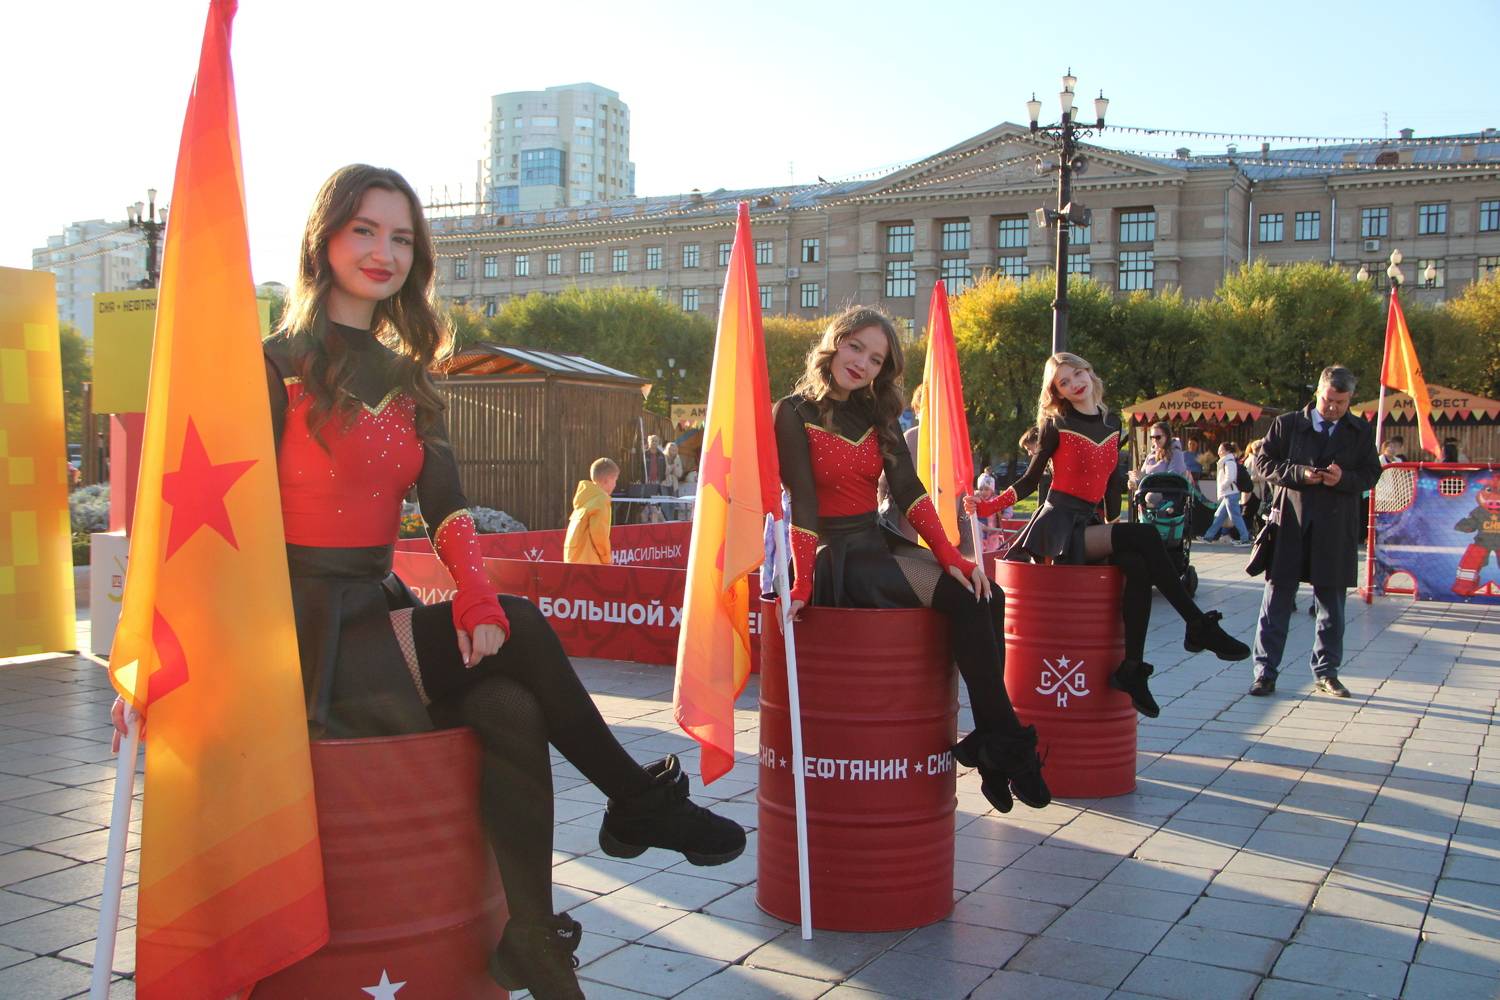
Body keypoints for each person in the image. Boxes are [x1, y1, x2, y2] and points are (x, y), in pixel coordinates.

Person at [112, 165, 743, 1000]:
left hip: (378, 619)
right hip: (299, 637)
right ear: (323, 240)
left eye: (401, 237)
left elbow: (445, 508)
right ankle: (633, 799)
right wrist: (158, 651)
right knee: (518, 623)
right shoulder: (268, 367)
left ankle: (531, 939)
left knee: (511, 707)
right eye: (364, 230)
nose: (383, 251)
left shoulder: (412, 377)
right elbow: (203, 523)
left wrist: (474, 594)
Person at [774, 306, 1049, 814]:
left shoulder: (878, 413)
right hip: (837, 555)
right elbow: (804, 505)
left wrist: (952, 554)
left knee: (990, 596)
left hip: (876, 540)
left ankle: (992, 743)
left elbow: (907, 489)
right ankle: (1006, 749)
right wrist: (801, 584)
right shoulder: (790, 413)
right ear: (836, 342)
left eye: (876, 359)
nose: (862, 364)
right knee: (964, 604)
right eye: (856, 347)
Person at [967, 353, 1250, 719]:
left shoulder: (1112, 423)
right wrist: (987, 506)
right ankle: (1197, 625)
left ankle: (1131, 669)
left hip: (1090, 522)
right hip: (1059, 528)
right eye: (1063, 383)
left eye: (1077, 373)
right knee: (1147, 536)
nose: (1074, 384)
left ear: (1089, 371)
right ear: (1057, 392)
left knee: (1137, 561)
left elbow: (1110, 485)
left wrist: (1113, 523)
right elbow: (1030, 481)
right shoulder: (1057, 425)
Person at [1249, 365, 1382, 699]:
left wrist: (1344, 479)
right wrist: (1299, 473)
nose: (1333, 407)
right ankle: (1265, 673)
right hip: (1291, 523)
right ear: (1318, 392)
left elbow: (1370, 473)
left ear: (1350, 398)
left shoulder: (1360, 431)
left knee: (1331, 608)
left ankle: (1327, 672)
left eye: (1341, 402)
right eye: (1328, 400)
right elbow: (1263, 464)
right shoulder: (1288, 424)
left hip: (1335, 528)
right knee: (1276, 603)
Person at [877, 382, 924, 544]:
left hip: (915, 526)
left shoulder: (911, 437)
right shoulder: (911, 438)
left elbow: (884, 483)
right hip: (911, 524)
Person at [565, 457, 617, 564]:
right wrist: (607, 560)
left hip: (572, 562)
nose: (615, 485)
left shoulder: (584, 500)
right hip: (590, 564)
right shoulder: (601, 501)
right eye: (615, 480)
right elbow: (600, 536)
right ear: (606, 480)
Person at [1130, 419, 1188, 511]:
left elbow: (1173, 479)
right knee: (1144, 497)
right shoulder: (1151, 455)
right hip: (1148, 496)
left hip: (1169, 495)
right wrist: (1135, 482)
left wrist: (1145, 477)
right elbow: (1143, 476)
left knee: (1150, 497)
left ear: (1167, 437)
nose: (1155, 440)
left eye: (1158, 437)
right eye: (1152, 437)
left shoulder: (1175, 453)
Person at [1202, 442, 1251, 544]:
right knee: (1219, 515)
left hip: (1230, 493)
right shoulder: (1226, 461)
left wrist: (1222, 487)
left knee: (1235, 517)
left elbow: (1230, 477)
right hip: (1229, 493)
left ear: (1227, 451)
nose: (1219, 451)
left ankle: (1245, 538)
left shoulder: (1229, 462)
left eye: (1221, 449)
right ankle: (1208, 537)